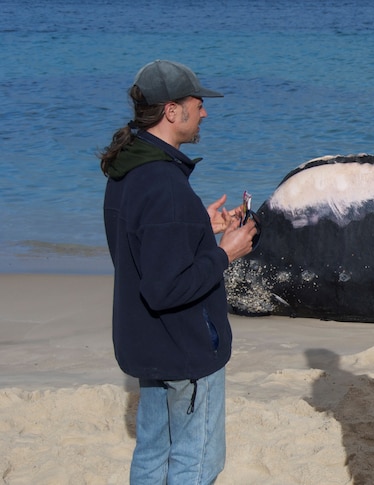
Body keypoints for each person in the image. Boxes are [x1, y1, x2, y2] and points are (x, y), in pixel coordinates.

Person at [100, 59, 257, 484]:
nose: (204, 111)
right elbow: (165, 287)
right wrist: (226, 252)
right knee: (196, 461)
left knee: (152, 453)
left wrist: (198, 229)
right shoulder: (164, 183)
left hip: (147, 342)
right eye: (197, 103)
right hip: (182, 347)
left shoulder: (127, 169)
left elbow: (141, 249)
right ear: (172, 111)